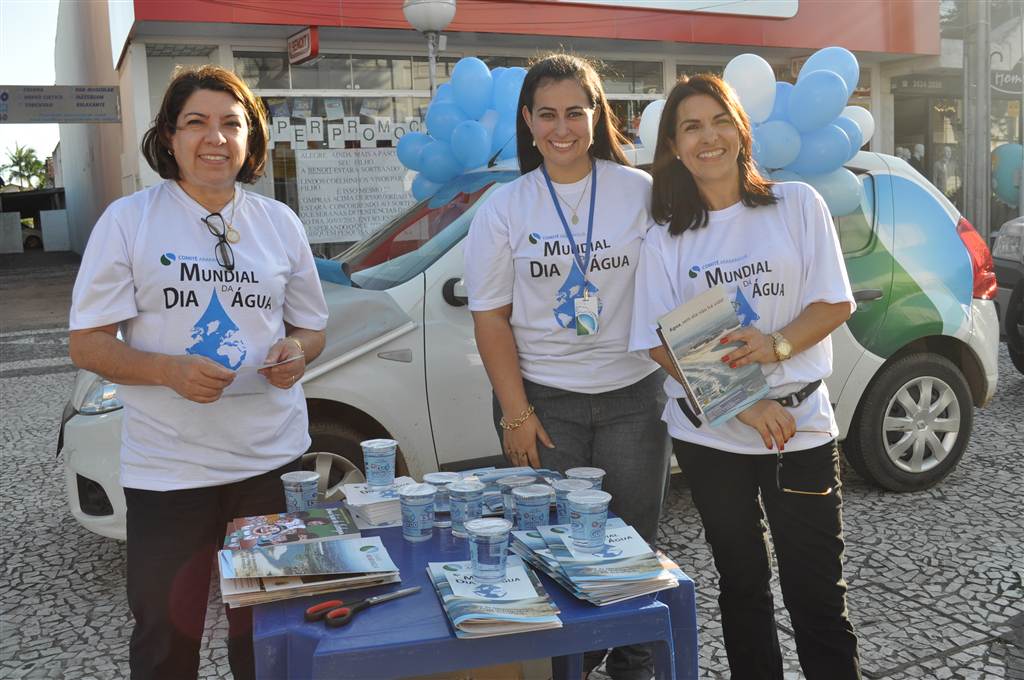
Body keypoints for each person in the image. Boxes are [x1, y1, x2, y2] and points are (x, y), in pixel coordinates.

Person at [68, 65, 328, 680]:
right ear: (168, 137)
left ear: (250, 139)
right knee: (165, 638)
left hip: (271, 464)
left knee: (269, 630)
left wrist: (297, 352)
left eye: (231, 124)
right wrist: (165, 370)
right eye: (196, 123)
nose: (215, 138)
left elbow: (312, 328)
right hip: (169, 472)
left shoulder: (280, 224)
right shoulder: (129, 220)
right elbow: (86, 344)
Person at [629, 73, 861, 679]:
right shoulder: (666, 238)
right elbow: (654, 342)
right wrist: (745, 405)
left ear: (741, 129)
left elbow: (834, 303)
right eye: (690, 127)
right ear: (674, 147)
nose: (708, 138)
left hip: (800, 427)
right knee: (742, 586)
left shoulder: (798, 206)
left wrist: (776, 347)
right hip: (714, 435)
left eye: (719, 121)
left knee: (817, 593)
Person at [463, 53, 669, 680]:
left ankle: (632, 666)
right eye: (546, 114)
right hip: (543, 404)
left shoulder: (639, 191)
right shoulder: (506, 206)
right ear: (527, 121)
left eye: (575, 113)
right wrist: (516, 413)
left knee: (630, 550)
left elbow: (681, 285)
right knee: (550, 551)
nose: (561, 128)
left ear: (595, 115)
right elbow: (491, 318)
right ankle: (567, 668)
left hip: (633, 396)